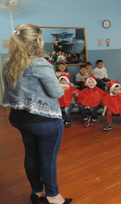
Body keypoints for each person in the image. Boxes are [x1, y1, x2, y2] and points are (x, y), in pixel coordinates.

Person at [3, 23, 72, 204]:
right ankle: (53, 196)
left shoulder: (9, 63)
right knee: (48, 159)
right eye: (42, 38)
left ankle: (37, 191)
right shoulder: (39, 63)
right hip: (44, 121)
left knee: (31, 155)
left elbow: (24, 90)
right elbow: (56, 93)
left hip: (20, 118)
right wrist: (61, 87)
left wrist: (56, 85)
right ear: (38, 42)